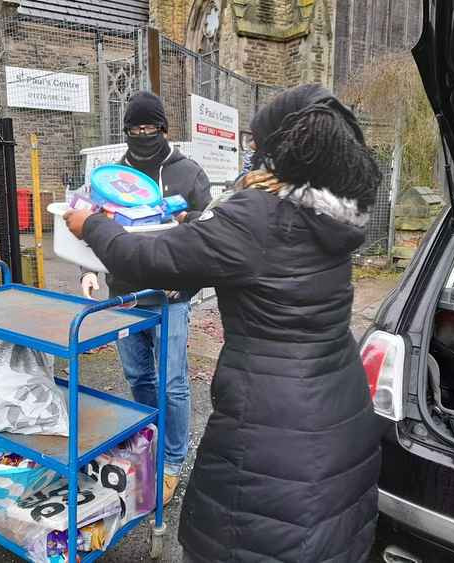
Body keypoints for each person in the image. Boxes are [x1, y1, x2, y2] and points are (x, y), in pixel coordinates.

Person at [65, 84, 384, 562]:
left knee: (243, 537)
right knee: (327, 535)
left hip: (272, 426)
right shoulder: (332, 215)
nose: (251, 155)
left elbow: (145, 256)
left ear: (281, 148)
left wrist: (90, 224)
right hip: (340, 407)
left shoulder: (259, 214)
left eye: (257, 144)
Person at [80, 91, 212, 505]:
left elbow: (210, 237)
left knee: (173, 383)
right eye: (134, 129)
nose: (141, 135)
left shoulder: (188, 173)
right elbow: (90, 228)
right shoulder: (109, 176)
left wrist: (187, 282)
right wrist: (89, 271)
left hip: (171, 295)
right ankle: (148, 441)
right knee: (139, 376)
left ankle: (172, 461)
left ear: (163, 128)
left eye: (149, 128)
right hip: (125, 295)